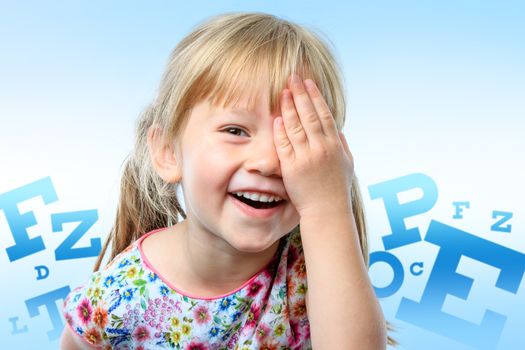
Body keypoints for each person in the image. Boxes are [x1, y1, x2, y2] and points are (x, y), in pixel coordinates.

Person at [59, 11, 396, 349]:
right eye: (235, 131)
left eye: (294, 138)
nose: (268, 162)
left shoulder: (311, 266)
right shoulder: (121, 295)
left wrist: (327, 206)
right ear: (167, 152)